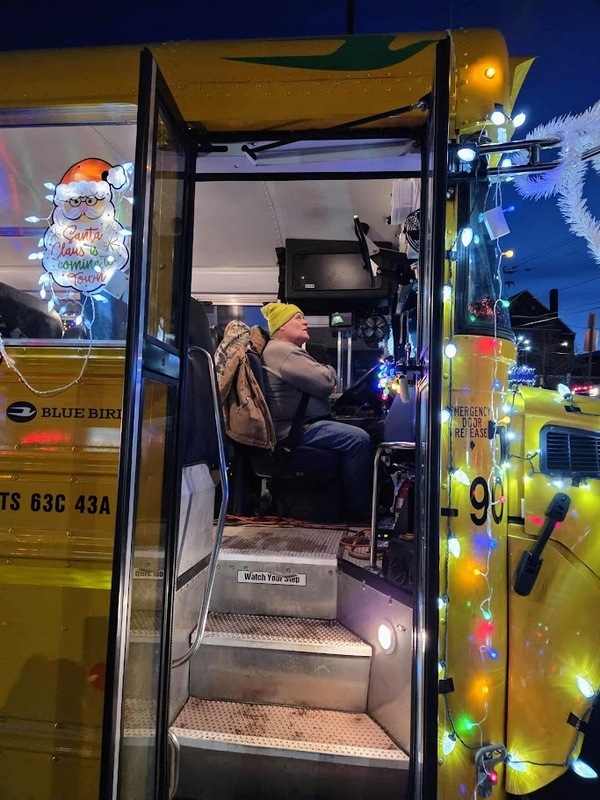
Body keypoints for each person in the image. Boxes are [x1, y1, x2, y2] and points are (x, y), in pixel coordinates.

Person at [261, 301, 373, 520]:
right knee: (359, 440)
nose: (305, 322)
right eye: (298, 318)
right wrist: (328, 368)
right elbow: (325, 382)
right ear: (281, 326)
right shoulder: (282, 352)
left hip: (301, 426)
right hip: (293, 432)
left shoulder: (286, 351)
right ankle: (358, 515)